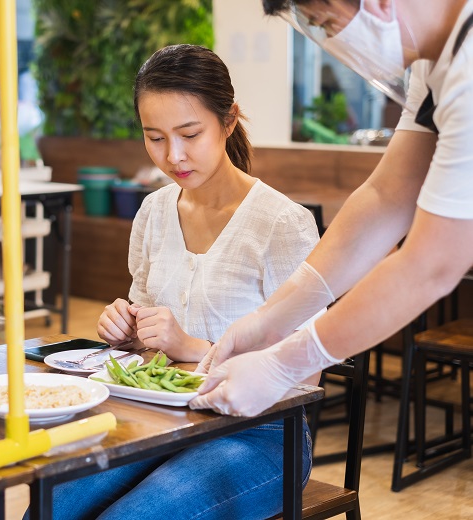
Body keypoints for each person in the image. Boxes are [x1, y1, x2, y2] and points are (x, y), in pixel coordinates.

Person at [52, 44, 320, 520]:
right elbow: (145, 339)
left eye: (189, 134)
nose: (173, 155)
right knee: (50, 505)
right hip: (162, 417)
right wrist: (130, 330)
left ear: (229, 121)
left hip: (259, 434)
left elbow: (306, 375)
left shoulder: (282, 223)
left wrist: (192, 345)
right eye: (154, 137)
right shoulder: (154, 211)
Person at [190, 0, 473, 418]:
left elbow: (431, 263)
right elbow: (386, 196)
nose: (328, 41)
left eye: (325, 22)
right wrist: (270, 320)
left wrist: (285, 363)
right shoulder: (435, 63)